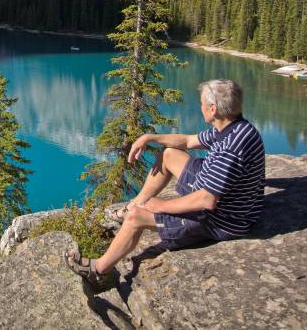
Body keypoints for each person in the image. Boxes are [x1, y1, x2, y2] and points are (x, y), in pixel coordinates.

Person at [65, 79, 265, 287]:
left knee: (135, 218)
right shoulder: (232, 127)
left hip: (221, 219)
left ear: (212, 109)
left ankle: (97, 269)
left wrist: (161, 206)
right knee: (169, 154)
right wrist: (150, 137)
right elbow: (188, 141)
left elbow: (207, 199)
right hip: (221, 194)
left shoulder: (231, 147)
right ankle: (134, 203)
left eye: (201, 104)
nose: (200, 107)